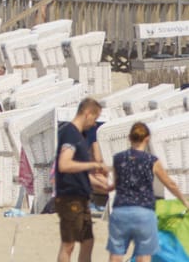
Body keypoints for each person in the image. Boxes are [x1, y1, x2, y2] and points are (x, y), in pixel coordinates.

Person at [107, 121, 188, 262]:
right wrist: (184, 201)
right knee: (143, 252)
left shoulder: (118, 159)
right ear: (147, 139)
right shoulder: (151, 160)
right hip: (142, 211)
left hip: (121, 210)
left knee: (116, 252)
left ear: (129, 137)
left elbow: (115, 183)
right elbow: (170, 184)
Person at [55, 98, 106, 262]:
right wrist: (93, 163)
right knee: (68, 244)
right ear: (87, 113)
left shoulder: (79, 136)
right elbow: (64, 164)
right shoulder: (70, 133)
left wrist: (103, 184)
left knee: (87, 241)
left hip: (81, 197)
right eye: (94, 119)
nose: (94, 124)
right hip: (70, 197)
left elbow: (79, 172)